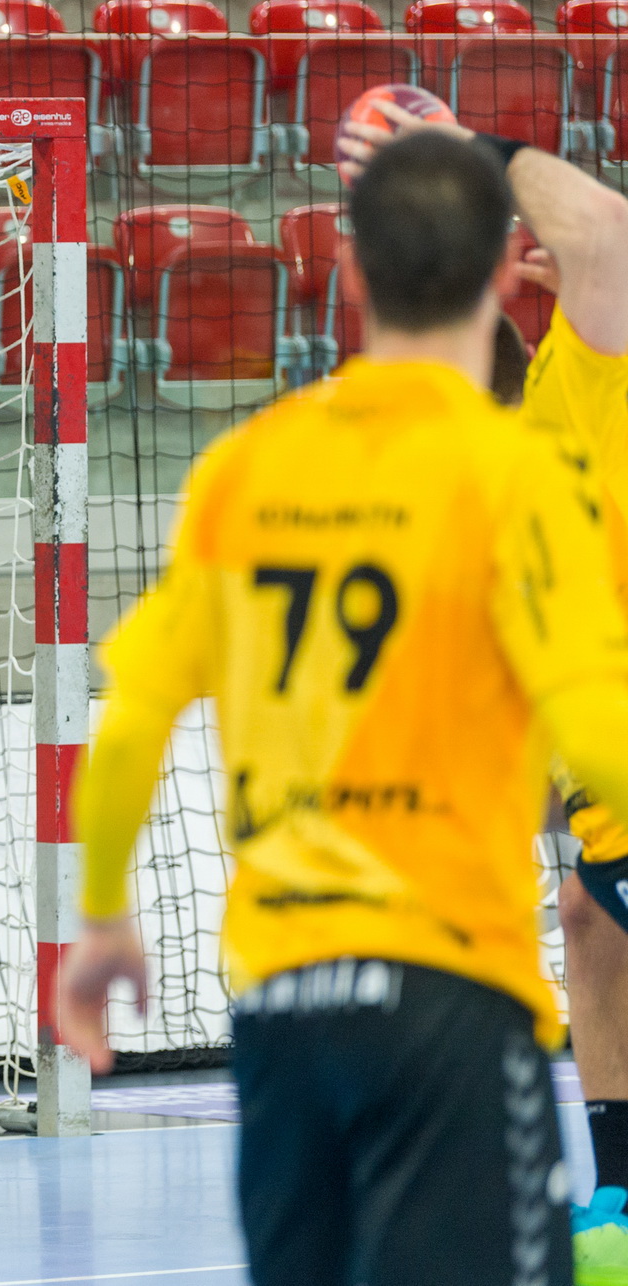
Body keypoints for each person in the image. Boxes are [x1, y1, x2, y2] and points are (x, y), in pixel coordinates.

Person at [58, 130, 628, 1286]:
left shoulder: (247, 466)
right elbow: (595, 730)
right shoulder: (516, 473)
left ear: (349, 277)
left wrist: (104, 914)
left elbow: (127, 723)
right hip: (450, 990)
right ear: (501, 276)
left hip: (279, 994)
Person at [345, 105, 628, 1286]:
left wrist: (474, 151)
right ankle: (614, 1186)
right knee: (581, 914)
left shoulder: (594, 361)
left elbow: (607, 234)